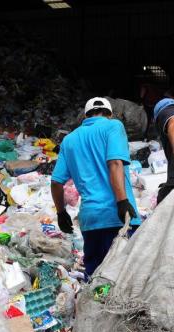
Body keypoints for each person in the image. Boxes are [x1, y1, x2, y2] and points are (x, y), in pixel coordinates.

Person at [51, 97, 141, 277]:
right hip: (117, 216)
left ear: (86, 116)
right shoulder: (113, 126)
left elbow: (56, 182)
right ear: (109, 114)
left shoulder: (69, 139)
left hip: (90, 220)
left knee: (96, 276)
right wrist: (122, 201)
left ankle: (94, 304)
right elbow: (115, 162)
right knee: (125, 277)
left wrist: (61, 213)